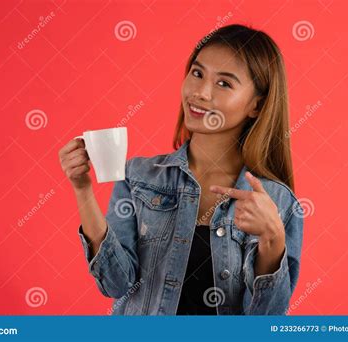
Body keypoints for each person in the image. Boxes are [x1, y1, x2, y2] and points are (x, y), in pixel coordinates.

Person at [58, 24, 304, 315]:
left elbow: (267, 320)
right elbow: (116, 284)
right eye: (197, 73)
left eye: (224, 83)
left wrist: (272, 239)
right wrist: (82, 189)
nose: (200, 92)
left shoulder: (276, 201)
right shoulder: (138, 177)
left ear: (256, 105)